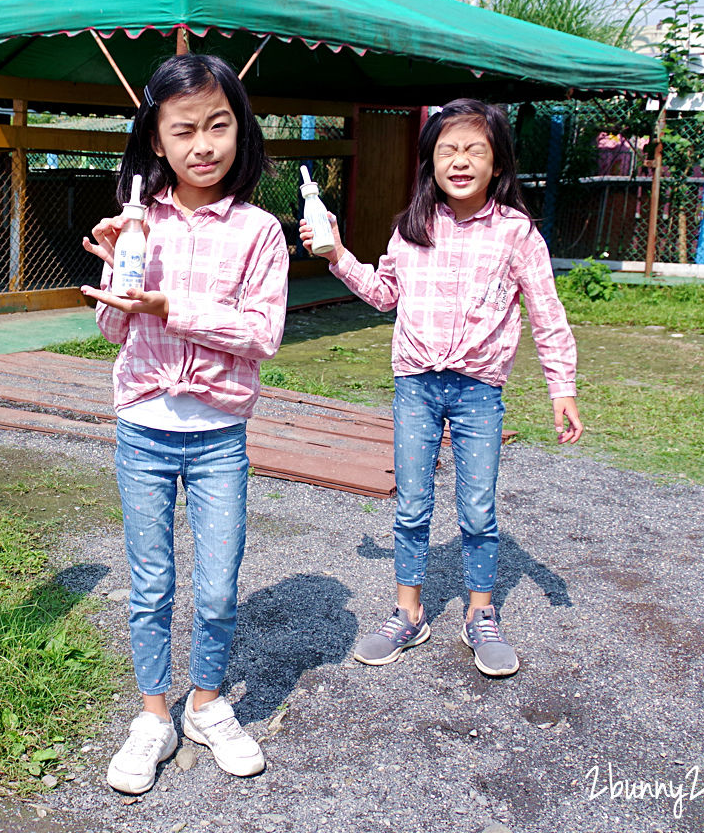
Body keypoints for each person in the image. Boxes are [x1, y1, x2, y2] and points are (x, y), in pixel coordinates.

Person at [300, 98, 583, 678]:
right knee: (411, 505)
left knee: (477, 510)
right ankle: (408, 613)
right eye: (447, 149)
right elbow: (385, 295)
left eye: (474, 150)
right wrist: (337, 255)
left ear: (498, 164)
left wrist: (563, 387)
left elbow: (548, 313)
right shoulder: (413, 228)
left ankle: (481, 616)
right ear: (430, 161)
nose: (460, 160)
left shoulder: (517, 234)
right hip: (416, 384)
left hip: (480, 390)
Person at [80, 53, 288, 794]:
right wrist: (114, 265)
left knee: (220, 582)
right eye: (184, 130)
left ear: (241, 131)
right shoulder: (139, 223)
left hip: (218, 433)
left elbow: (263, 334)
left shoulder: (260, 230)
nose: (203, 145)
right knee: (150, 582)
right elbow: (112, 330)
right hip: (142, 423)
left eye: (218, 126)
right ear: (156, 142)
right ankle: (154, 715)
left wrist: (174, 310)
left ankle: (206, 702)